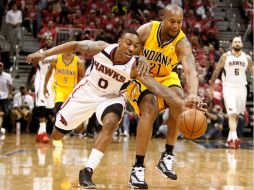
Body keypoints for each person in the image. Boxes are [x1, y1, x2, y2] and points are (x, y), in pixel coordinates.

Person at [26, 29, 150, 189]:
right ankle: (77, 123)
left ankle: (87, 171)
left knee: (111, 122)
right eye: (128, 43)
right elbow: (76, 45)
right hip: (87, 92)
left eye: (136, 46)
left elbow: (152, 82)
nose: (132, 48)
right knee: (56, 136)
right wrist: (44, 54)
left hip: (112, 97)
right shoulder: (101, 49)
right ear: (119, 41)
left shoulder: (136, 65)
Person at [125, 4, 201, 189]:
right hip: (142, 77)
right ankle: (138, 167)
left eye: (180, 22)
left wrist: (193, 94)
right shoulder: (147, 30)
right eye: (172, 21)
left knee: (181, 100)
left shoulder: (182, 42)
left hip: (166, 77)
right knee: (149, 108)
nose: (176, 26)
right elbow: (127, 46)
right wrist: (138, 56)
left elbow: (190, 71)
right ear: (162, 18)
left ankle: (167, 155)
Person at [209, 36, 253, 149]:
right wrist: (211, 86)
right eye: (235, 42)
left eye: (239, 42)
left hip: (242, 88)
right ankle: (234, 139)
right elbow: (217, 70)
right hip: (229, 87)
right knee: (232, 114)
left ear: (242, 44)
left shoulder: (247, 58)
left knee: (237, 115)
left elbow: (252, 72)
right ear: (232, 44)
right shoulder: (225, 56)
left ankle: (229, 140)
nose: (237, 43)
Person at [26, 35, 56, 143]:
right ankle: (43, 133)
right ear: (44, 41)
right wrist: (28, 83)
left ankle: (40, 133)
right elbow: (33, 69)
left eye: (51, 39)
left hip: (52, 82)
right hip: (41, 80)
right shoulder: (39, 53)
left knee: (49, 109)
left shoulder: (56, 53)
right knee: (41, 106)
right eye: (47, 39)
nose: (49, 41)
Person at [0, 61, 12, 134]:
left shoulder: (7, 75)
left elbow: (10, 86)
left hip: (5, 96)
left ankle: (4, 127)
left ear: (3, 67)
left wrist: (10, 94)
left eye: (0, 66)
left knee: (7, 112)